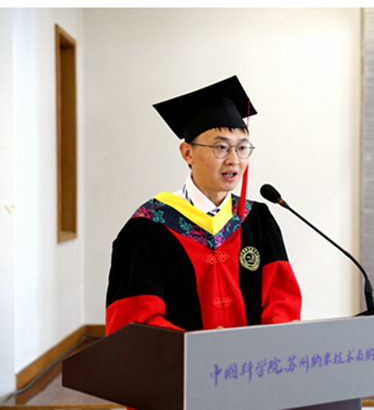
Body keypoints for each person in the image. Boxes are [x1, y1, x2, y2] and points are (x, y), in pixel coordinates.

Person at [105, 76, 302, 334]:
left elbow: (282, 299)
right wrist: (200, 349)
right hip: (182, 359)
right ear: (187, 153)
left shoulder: (257, 220)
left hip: (253, 358)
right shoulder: (148, 228)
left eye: (242, 148)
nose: (234, 160)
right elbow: (135, 320)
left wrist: (268, 343)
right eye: (221, 147)